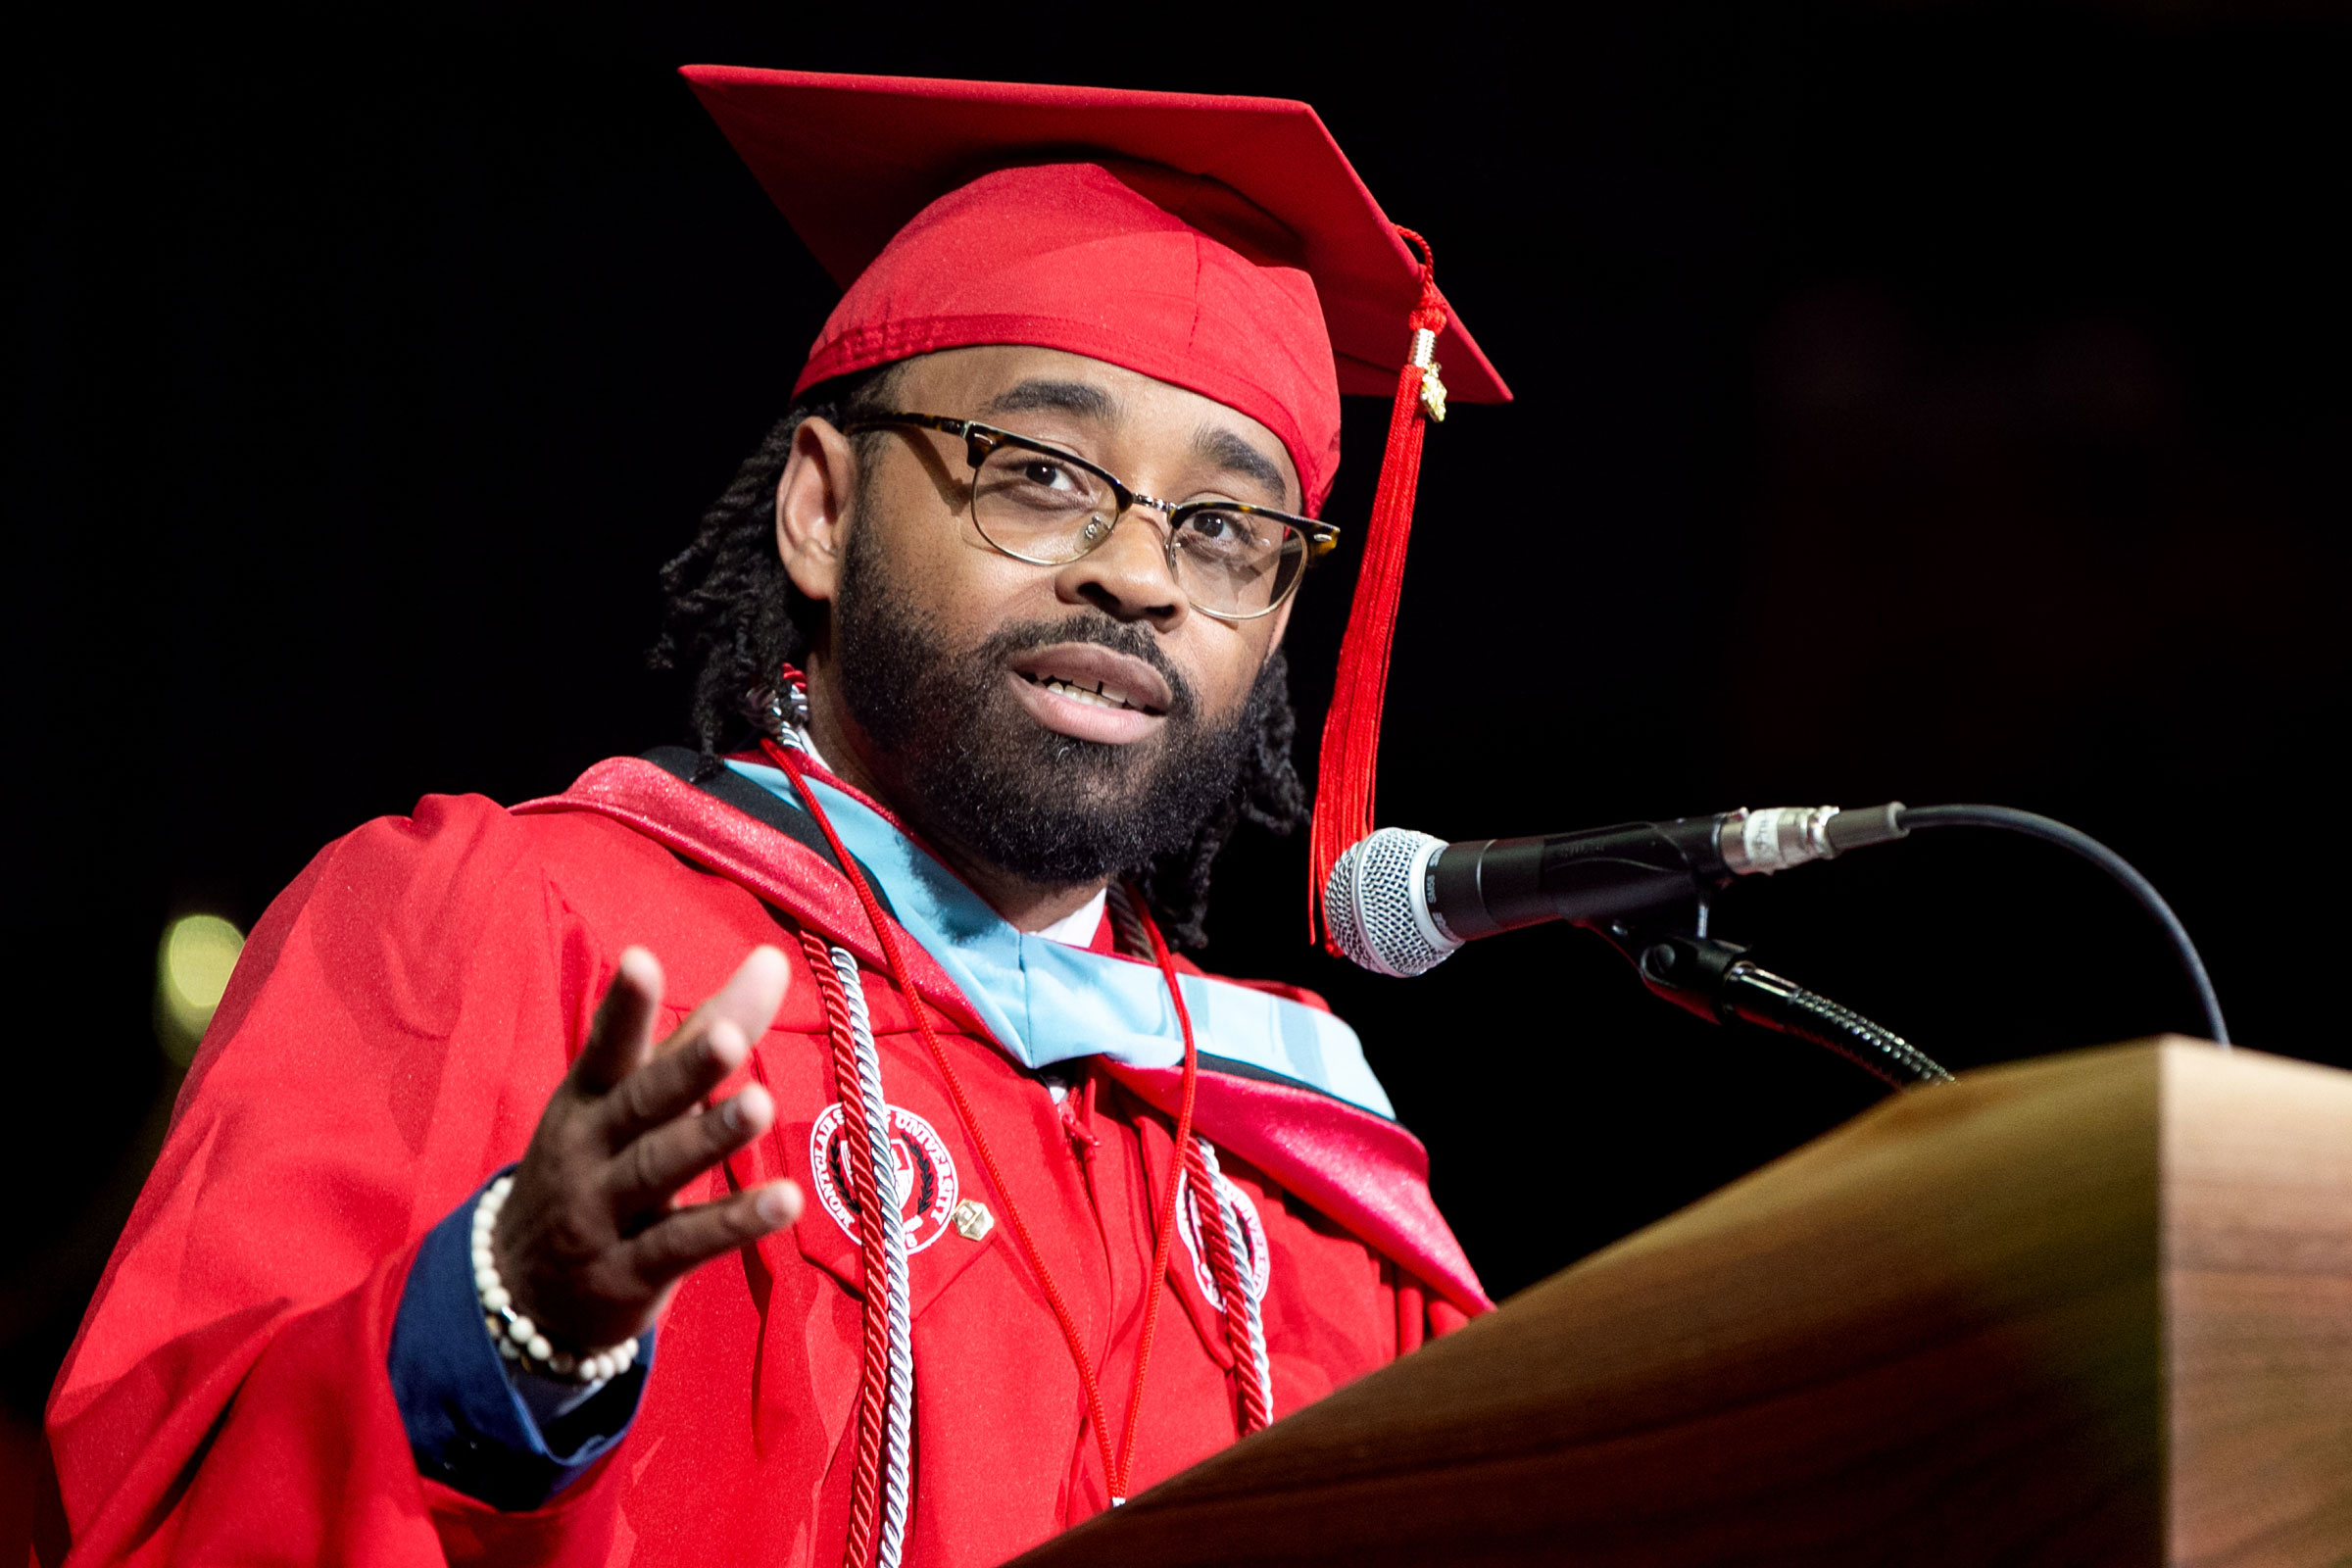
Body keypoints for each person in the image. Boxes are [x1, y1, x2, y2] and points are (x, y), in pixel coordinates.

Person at [36, 68, 1509, 1568]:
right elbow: (153, 1499)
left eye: (1222, 529)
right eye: (1047, 476)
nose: (1138, 577)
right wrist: (502, 1334)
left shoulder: (1305, 1171)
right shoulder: (503, 928)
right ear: (821, 505)